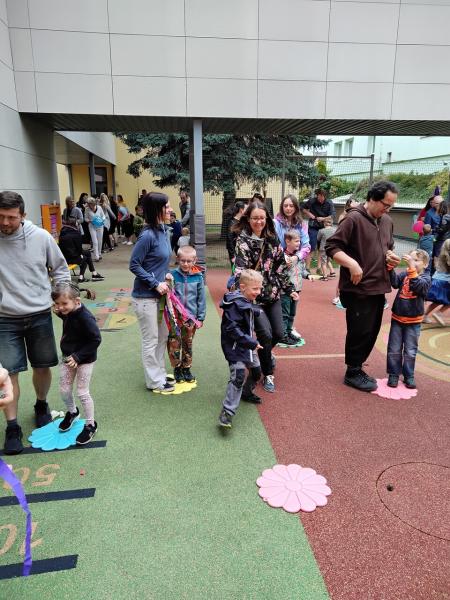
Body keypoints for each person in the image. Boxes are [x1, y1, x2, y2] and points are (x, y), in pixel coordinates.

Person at [0, 191, 70, 454]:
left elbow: (60, 269)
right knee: (8, 374)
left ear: (23, 215)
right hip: (5, 318)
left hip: (39, 314)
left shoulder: (40, 237)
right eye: (1, 217)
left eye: (11, 217)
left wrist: (62, 300)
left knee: (42, 366)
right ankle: (12, 427)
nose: (5, 222)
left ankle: (41, 404)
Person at [325, 180, 401, 392]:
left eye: (391, 206)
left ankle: (357, 367)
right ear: (373, 199)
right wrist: (352, 264)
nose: (388, 209)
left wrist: (391, 257)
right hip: (358, 288)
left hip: (378, 285)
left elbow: (388, 247)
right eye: (386, 205)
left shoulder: (387, 221)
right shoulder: (353, 219)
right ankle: (352, 371)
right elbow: (332, 246)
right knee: (359, 331)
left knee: (371, 330)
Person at [234, 200, 298, 393]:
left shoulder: (272, 238)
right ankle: (268, 373)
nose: (259, 222)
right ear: (248, 219)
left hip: (273, 294)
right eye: (255, 218)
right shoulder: (243, 242)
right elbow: (240, 271)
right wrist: (245, 291)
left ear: (266, 219)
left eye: (262, 218)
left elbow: (280, 266)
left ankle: (265, 353)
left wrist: (289, 288)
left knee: (279, 333)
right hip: (254, 299)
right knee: (266, 334)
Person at [129, 192, 175, 393]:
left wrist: (166, 275)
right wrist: (155, 283)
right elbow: (134, 264)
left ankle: (160, 375)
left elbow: (158, 262)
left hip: (160, 297)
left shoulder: (164, 231)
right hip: (145, 298)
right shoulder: (147, 235)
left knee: (162, 336)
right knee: (151, 339)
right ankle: (154, 381)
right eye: (167, 207)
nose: (171, 210)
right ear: (157, 210)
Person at [52, 282, 101, 444]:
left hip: (84, 359)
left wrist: (78, 357)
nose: (60, 307)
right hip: (68, 356)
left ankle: (90, 425)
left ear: (77, 301)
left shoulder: (85, 317)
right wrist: (60, 314)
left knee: (82, 392)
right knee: (64, 390)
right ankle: (73, 412)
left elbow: (95, 339)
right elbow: (71, 321)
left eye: (64, 303)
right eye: (57, 303)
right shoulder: (69, 311)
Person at [218, 269, 263, 428]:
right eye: (255, 289)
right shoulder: (234, 304)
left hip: (248, 345)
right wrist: (251, 342)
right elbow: (232, 329)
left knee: (256, 372)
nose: (258, 292)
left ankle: (246, 392)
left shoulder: (246, 299)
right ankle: (227, 412)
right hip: (235, 347)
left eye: (259, 288)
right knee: (238, 376)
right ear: (242, 287)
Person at [386, 250, 431, 389]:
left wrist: (411, 268)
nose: (412, 262)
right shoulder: (405, 273)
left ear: (425, 264)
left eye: (416, 260)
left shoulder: (426, 278)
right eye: (411, 259)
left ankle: (408, 375)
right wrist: (390, 267)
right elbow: (394, 283)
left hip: (413, 322)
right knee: (394, 349)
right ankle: (393, 374)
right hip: (397, 318)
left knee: (410, 351)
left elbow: (419, 287)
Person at [167, 246, 206, 383]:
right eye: (183, 260)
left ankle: (186, 368)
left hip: (191, 318)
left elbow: (201, 299)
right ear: (178, 259)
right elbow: (168, 296)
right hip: (175, 318)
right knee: (174, 343)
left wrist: (200, 317)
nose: (185, 264)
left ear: (194, 261)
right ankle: (177, 368)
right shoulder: (172, 275)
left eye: (189, 261)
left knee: (187, 344)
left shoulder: (198, 277)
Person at [278, 230, 304, 347]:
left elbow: (302, 270)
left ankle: (288, 332)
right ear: (288, 241)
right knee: (285, 314)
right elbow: (280, 273)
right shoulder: (283, 257)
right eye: (296, 241)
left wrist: (308, 275)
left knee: (292, 313)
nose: (299, 243)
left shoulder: (298, 257)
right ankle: (282, 335)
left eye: (299, 241)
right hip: (286, 291)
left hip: (297, 290)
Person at [58, 217, 104, 283]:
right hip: (72, 257)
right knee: (85, 259)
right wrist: (81, 255)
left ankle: (94, 273)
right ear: (75, 224)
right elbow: (79, 249)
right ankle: (82, 278)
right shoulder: (76, 234)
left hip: (64, 257)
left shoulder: (62, 232)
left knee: (87, 253)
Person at [302, 188, 335, 274]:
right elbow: (303, 208)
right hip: (313, 227)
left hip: (324, 227)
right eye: (319, 196)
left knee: (321, 248)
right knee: (311, 247)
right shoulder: (312, 201)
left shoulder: (329, 203)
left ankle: (319, 268)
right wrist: (309, 214)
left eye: (322, 197)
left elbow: (332, 216)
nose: (320, 198)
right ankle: (307, 268)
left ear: (325, 196)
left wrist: (323, 219)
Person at [423, 238, 450, 326]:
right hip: (445, 282)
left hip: (436, 280)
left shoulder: (442, 255)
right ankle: (439, 313)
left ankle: (424, 316)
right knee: (447, 300)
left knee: (437, 301)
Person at [84, 197, 105, 261]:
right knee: (95, 241)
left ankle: (99, 254)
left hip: (100, 226)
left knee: (100, 241)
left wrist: (102, 220)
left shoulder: (99, 208)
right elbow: (85, 218)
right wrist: (89, 221)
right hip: (92, 226)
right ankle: (96, 257)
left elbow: (103, 216)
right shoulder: (87, 209)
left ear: (94, 203)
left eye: (90, 204)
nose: (89, 205)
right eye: (88, 204)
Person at [317, 216, 335, 280]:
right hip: (331, 248)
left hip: (323, 248)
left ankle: (325, 276)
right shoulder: (335, 230)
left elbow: (318, 239)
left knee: (323, 262)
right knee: (328, 260)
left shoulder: (321, 231)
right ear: (331, 223)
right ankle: (332, 272)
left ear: (324, 223)